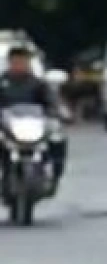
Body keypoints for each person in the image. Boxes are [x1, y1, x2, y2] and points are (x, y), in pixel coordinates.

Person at [0, 43, 69, 184]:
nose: (19, 65)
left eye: (23, 61)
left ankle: (55, 172)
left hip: (33, 126)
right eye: (16, 61)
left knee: (57, 137)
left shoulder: (38, 84)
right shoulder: (2, 83)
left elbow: (51, 102)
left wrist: (59, 112)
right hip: (6, 128)